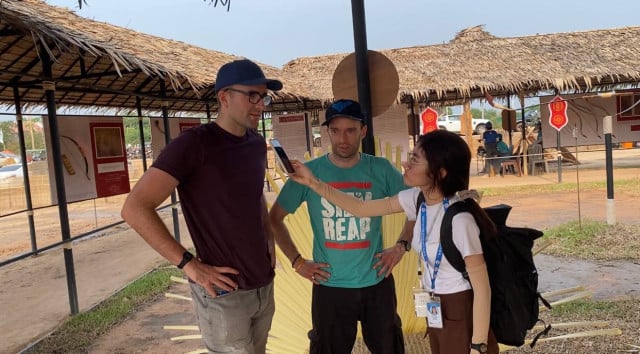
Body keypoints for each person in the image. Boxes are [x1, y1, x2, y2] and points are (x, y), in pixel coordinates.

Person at [287, 130, 499, 354]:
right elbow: (361, 208)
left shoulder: (460, 220)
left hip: (460, 308)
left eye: (416, 159)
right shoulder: (417, 199)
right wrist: (313, 183)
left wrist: (478, 344)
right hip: (436, 308)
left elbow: (482, 288)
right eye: (411, 155)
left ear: (440, 172)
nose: (407, 163)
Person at [121, 58, 282, 353]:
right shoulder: (194, 144)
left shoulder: (256, 143)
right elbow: (135, 207)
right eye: (253, 96)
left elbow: (254, 196)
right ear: (224, 97)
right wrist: (189, 265)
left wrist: (269, 239)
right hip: (223, 293)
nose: (261, 105)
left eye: (264, 97)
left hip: (263, 283)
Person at [269, 99, 411, 354]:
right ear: (327, 132)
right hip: (330, 287)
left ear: (363, 131)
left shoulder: (380, 169)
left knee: (390, 347)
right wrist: (297, 262)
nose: (342, 138)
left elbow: (418, 209)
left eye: (350, 130)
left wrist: (400, 247)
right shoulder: (308, 173)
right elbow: (274, 218)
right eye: (335, 131)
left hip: (376, 282)